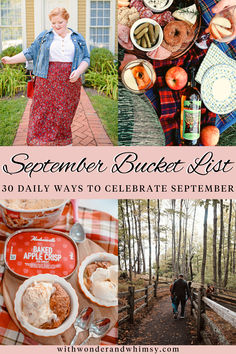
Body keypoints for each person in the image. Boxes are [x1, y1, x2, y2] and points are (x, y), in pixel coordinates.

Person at [1, 7, 90, 146]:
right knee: (42, 110)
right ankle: (39, 141)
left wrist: (78, 71)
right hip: (46, 79)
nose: (56, 26)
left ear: (67, 20)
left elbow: (86, 58)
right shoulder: (45, 36)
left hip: (70, 81)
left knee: (64, 111)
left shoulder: (77, 38)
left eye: (60, 22)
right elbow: (30, 52)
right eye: (53, 23)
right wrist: (11, 59)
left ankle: (63, 141)